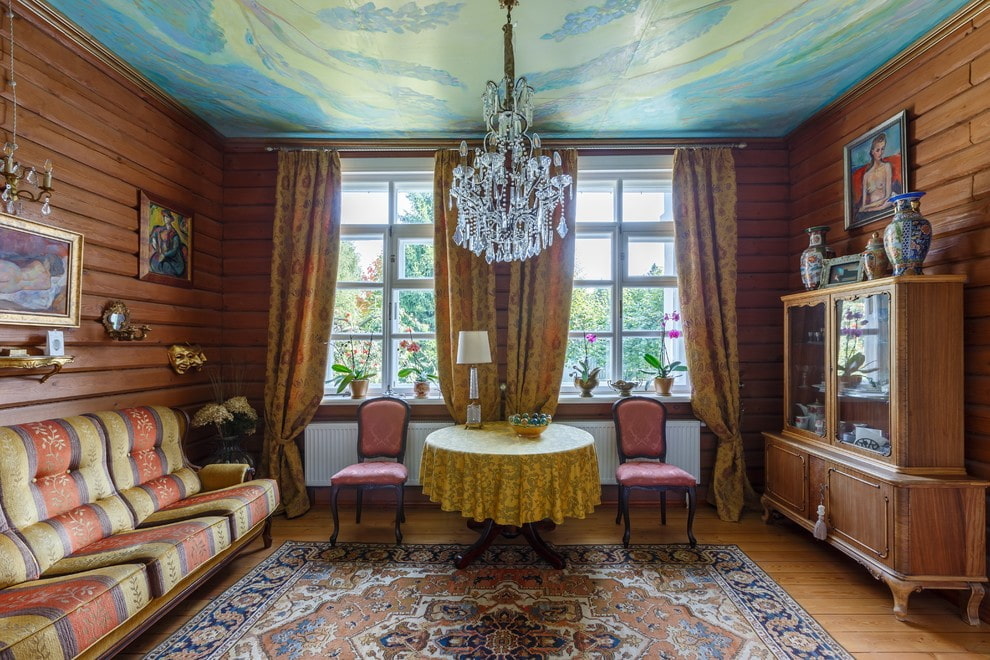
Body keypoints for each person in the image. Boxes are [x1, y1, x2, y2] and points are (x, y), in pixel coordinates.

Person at [855, 133, 894, 219]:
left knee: (890, 201)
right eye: (877, 150)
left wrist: (868, 208)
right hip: (873, 210)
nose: (880, 153)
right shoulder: (866, 176)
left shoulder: (886, 167)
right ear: (872, 151)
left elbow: (887, 196)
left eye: (882, 149)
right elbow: (864, 204)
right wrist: (867, 207)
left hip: (883, 205)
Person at [148, 209, 187, 278]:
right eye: (164, 217)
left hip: (173, 260)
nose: (165, 219)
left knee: (165, 267)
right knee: (154, 261)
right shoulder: (160, 230)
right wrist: (153, 240)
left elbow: (174, 250)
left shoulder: (174, 234)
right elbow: (154, 235)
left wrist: (164, 255)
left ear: (171, 219)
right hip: (163, 256)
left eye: (167, 217)